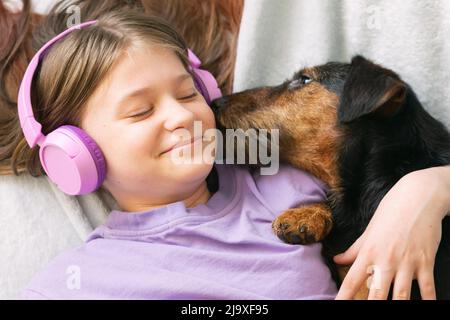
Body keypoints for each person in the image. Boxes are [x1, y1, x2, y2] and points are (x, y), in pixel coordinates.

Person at [13, 10, 338, 299]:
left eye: (187, 94)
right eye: (141, 111)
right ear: (77, 152)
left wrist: (393, 210)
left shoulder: (279, 179)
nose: (183, 117)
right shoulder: (76, 283)